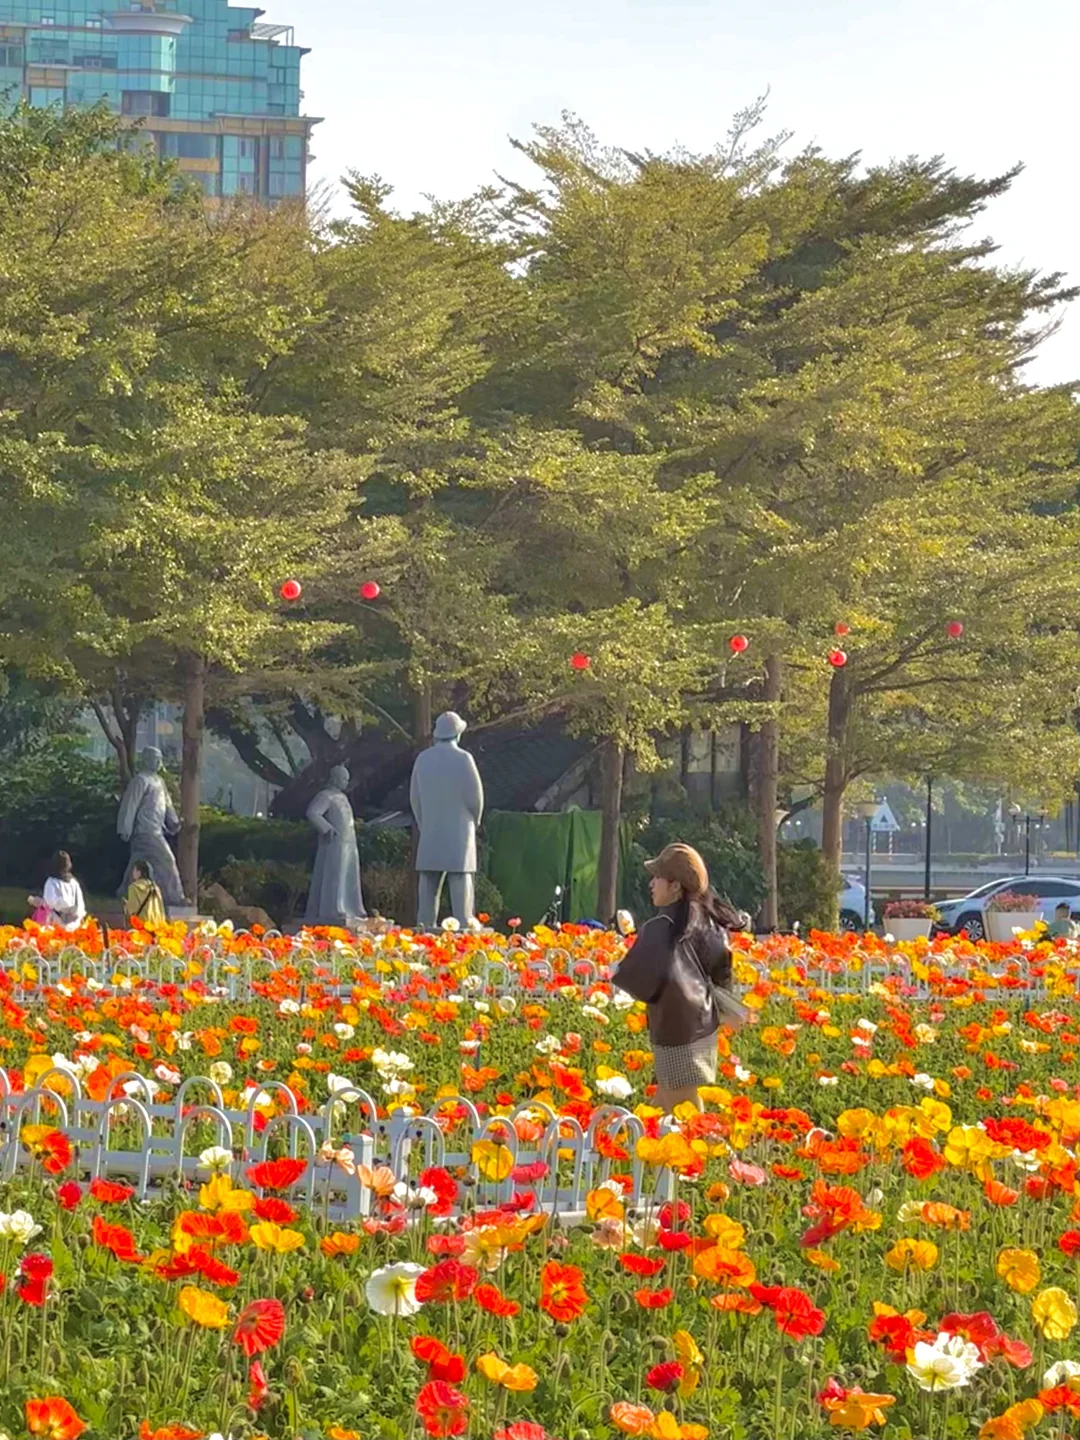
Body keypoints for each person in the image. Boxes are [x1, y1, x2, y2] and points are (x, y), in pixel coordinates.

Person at [611, 843, 742, 1113]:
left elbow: (635, 979)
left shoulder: (663, 928)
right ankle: (649, 1145)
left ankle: (705, 1151)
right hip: (701, 1023)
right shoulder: (708, 922)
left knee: (682, 1107)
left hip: (675, 1026)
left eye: (657, 877)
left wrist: (616, 971)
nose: (652, 884)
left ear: (675, 886)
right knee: (665, 1103)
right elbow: (722, 970)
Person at [410, 712, 484, 930]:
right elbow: (475, 798)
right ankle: (463, 922)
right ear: (457, 734)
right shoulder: (463, 758)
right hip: (460, 829)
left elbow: (415, 798)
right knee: (460, 877)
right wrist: (475, 821)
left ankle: (424, 924)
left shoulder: (422, 759)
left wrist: (424, 823)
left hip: (430, 829)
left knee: (428, 879)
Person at [304, 765, 367, 927]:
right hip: (335, 843)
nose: (347, 782)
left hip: (349, 843)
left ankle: (353, 906)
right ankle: (335, 907)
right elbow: (313, 813)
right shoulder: (326, 796)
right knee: (336, 875)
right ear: (336, 778)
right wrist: (326, 828)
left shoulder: (342, 797)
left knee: (350, 874)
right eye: (344, 779)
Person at [29, 851, 87, 931]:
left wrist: (36, 901)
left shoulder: (51, 882)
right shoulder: (74, 883)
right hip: (74, 926)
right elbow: (81, 906)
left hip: (55, 925)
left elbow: (49, 904)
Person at [123, 859, 167, 929]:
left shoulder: (134, 887)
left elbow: (132, 910)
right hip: (155, 926)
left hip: (140, 927)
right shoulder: (155, 887)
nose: (133, 873)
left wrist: (126, 906)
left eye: (134, 870)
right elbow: (161, 909)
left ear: (139, 872)